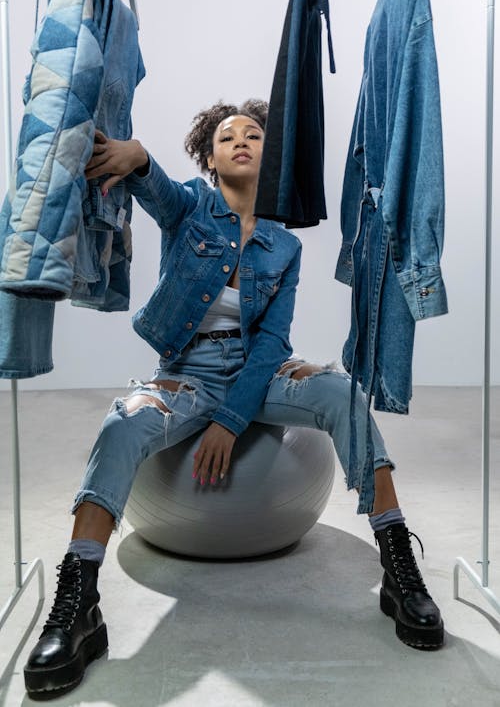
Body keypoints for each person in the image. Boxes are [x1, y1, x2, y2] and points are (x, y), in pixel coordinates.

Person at [23, 99, 444, 700]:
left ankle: (399, 571)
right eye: (227, 136)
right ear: (211, 157)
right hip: (187, 373)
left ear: (269, 157)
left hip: (257, 371)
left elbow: (272, 342)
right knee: (121, 427)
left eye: (254, 135)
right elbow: (158, 189)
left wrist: (230, 419)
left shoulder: (283, 245)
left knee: (344, 393)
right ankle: (77, 604)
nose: (242, 141)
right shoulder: (193, 209)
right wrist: (139, 158)